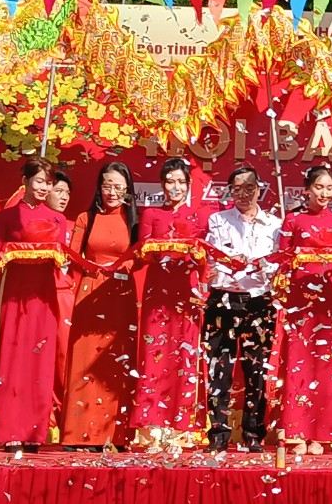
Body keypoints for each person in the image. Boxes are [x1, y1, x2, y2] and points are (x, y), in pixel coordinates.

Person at [131, 158, 211, 451]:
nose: (175, 187)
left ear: (188, 185)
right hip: (158, 292)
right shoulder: (151, 213)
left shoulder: (200, 216)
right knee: (155, 355)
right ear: (162, 184)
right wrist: (159, 250)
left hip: (186, 293)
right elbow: (142, 253)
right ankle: (153, 427)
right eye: (170, 181)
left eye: (180, 182)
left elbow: (205, 257)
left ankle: (182, 427)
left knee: (184, 356)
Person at [60, 162, 140, 450]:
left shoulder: (134, 218)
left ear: (128, 190)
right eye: (107, 185)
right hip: (89, 291)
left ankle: (113, 436)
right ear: (99, 187)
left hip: (119, 293)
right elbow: (74, 252)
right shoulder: (86, 217)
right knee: (82, 363)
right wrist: (88, 266)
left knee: (114, 366)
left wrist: (121, 266)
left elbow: (140, 255)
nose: (112, 192)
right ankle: (76, 433)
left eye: (118, 187)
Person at [0, 157, 67, 453]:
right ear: (24, 181)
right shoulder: (6, 217)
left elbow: (61, 256)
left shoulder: (57, 219)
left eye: (48, 183)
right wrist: (14, 252)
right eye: (38, 181)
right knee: (13, 359)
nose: (43, 187)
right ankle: (11, 429)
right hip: (14, 295)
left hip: (44, 296)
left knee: (40, 359)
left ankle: (35, 431)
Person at [203, 166, 281, 453]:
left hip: (258, 301)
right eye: (238, 188)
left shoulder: (275, 223)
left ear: (260, 189)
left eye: (250, 188)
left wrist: (265, 265)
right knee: (219, 370)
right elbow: (210, 260)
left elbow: (279, 265)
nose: (244, 194)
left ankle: (253, 434)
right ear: (230, 191)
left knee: (257, 370)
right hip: (223, 299)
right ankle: (219, 435)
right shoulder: (218, 220)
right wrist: (229, 261)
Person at [277, 165, 332, 454]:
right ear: (306, 190)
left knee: (327, 365)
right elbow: (283, 261)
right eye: (318, 187)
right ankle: (297, 431)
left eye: (329, 188)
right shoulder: (293, 220)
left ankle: (323, 433)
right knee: (299, 362)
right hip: (301, 299)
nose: (324, 193)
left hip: (330, 301)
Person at [47, 171, 75, 431]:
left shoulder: (74, 226)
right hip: (39, 296)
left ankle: (64, 416)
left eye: (67, 192)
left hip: (66, 295)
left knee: (64, 359)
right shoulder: (32, 221)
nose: (64, 197)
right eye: (59, 191)